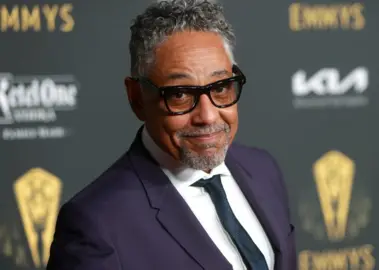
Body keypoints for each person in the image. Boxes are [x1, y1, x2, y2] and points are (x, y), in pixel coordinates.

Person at [46, 0, 296, 269]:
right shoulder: (95, 225)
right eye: (180, 95)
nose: (208, 116)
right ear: (137, 98)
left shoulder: (263, 169)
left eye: (221, 87)